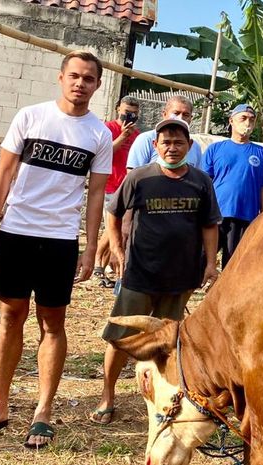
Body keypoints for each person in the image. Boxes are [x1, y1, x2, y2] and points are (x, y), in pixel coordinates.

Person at [0, 50, 112, 448]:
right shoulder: (31, 116)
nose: (80, 83)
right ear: (61, 78)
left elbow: (95, 196)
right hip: (17, 232)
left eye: (88, 78)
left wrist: (90, 248)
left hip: (59, 239)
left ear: (97, 85)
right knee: (10, 315)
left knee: (52, 324)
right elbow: (4, 172)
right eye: (74, 76)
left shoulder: (99, 135)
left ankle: (42, 411)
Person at [90, 117, 220, 425]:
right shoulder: (140, 178)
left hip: (181, 277)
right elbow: (113, 212)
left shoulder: (201, 181)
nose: (172, 148)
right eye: (166, 142)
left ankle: (163, 400)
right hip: (139, 274)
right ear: (155, 145)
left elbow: (209, 225)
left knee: (169, 342)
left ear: (189, 146)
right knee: (121, 338)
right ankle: (107, 395)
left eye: (178, 143)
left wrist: (212, 264)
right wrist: (118, 251)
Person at [201, 104, 263, 269]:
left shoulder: (261, 153)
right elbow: (204, 183)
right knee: (201, 260)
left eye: (252, 119)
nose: (248, 123)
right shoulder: (215, 149)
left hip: (244, 217)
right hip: (215, 216)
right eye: (243, 118)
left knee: (234, 266)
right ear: (231, 121)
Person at [93, 96, 141, 287]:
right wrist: (122, 136)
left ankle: (100, 269)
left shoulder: (138, 135)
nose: (130, 116)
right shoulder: (107, 129)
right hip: (110, 184)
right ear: (117, 109)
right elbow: (103, 153)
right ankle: (98, 264)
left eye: (134, 113)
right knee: (114, 228)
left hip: (127, 187)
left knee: (114, 229)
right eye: (126, 111)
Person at [126, 95, 202, 170]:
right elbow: (132, 173)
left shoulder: (195, 147)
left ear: (191, 118)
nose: (180, 118)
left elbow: (198, 178)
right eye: (176, 113)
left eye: (186, 115)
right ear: (164, 114)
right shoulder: (146, 139)